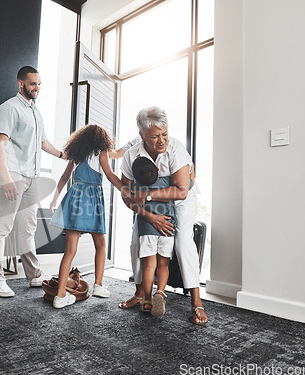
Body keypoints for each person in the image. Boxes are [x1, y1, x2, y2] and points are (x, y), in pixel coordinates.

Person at [119, 106, 208, 325]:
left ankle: (196, 301)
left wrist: (148, 196)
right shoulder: (132, 155)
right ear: (142, 136)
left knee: (182, 243)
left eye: (165, 134)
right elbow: (126, 194)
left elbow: (181, 190)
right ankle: (141, 294)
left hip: (181, 201)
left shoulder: (176, 149)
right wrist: (149, 217)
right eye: (155, 136)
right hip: (151, 208)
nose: (162, 140)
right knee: (135, 242)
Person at [0, 66, 65, 297]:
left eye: (39, 83)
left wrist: (63, 155)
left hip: (31, 176)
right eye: (32, 83)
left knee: (28, 227)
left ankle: (34, 275)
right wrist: (6, 178)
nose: (37, 88)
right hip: (11, 174)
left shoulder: (35, 112)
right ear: (20, 83)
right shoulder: (9, 108)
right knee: (2, 227)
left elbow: (42, 143)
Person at [49, 124, 132, 309]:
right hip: (92, 199)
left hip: (75, 197)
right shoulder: (101, 152)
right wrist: (125, 190)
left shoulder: (76, 155)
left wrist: (54, 200)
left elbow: (64, 178)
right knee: (101, 244)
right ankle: (98, 285)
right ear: (101, 140)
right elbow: (109, 175)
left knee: (69, 250)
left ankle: (60, 295)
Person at [131, 156, 175, 317]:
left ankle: (148, 299)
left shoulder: (137, 187)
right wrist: (190, 175)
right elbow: (187, 185)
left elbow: (133, 202)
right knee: (163, 265)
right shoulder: (166, 182)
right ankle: (160, 293)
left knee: (149, 266)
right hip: (168, 228)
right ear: (157, 169)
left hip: (147, 229)